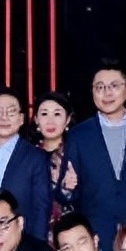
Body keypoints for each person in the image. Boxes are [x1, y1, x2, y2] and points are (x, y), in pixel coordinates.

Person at [64, 59, 126, 248]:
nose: (107, 93)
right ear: (92, 92)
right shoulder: (78, 136)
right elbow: (69, 191)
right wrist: (67, 189)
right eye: (100, 87)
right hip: (96, 238)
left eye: (114, 86)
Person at [0, 89, 50, 240]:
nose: (4, 117)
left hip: (22, 242)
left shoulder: (35, 157)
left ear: (21, 119)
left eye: (11, 111)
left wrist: (37, 247)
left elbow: (41, 208)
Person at [33, 91, 78, 225]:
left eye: (57, 114)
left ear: (67, 119)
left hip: (71, 228)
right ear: (36, 119)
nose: (50, 121)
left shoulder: (77, 154)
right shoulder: (27, 155)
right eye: (44, 114)